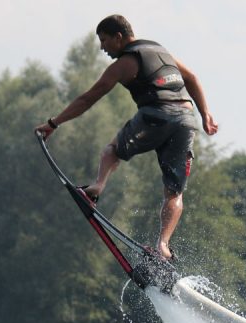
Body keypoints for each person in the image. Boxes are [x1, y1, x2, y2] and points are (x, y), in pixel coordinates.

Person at [35, 14, 218, 261]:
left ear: (118, 37)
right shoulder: (161, 51)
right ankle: (163, 246)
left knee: (112, 150)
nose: (102, 48)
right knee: (174, 192)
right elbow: (192, 78)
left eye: (104, 41)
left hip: (157, 114)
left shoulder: (127, 62)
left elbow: (88, 98)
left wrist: (53, 123)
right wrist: (205, 114)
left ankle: (96, 188)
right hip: (186, 121)